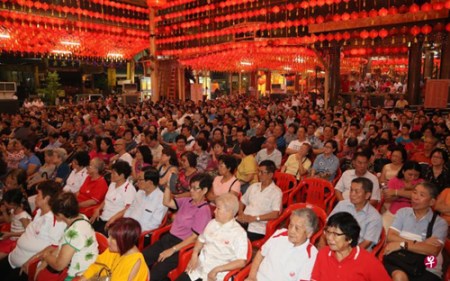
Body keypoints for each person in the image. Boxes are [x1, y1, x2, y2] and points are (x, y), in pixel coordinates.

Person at [142, 173, 213, 281]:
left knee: (156, 273)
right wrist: (167, 187)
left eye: (195, 188)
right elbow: (167, 202)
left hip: (182, 246)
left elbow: (194, 237)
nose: (191, 190)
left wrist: (172, 250)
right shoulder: (187, 201)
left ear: (204, 190)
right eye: (191, 187)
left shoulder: (203, 210)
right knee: (141, 258)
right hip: (168, 238)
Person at [0, 181, 65, 281]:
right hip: (13, 257)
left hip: (24, 267)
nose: (35, 197)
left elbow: (54, 247)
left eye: (38, 194)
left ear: (46, 198)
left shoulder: (57, 221)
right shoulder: (39, 212)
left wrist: (31, 261)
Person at [384, 182, 448, 281]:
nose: (415, 197)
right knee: (399, 276)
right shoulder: (403, 212)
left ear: (431, 202)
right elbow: (391, 237)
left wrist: (401, 244)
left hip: (427, 268)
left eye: (421, 195)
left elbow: (433, 250)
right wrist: (422, 244)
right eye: (414, 192)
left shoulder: (440, 223)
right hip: (399, 260)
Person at [177, 193, 248, 281]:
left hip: (216, 276)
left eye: (218, 209)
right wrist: (194, 255)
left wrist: (217, 269)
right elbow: (200, 239)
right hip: (198, 270)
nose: (214, 211)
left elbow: (241, 261)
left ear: (229, 212)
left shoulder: (239, 233)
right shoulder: (212, 223)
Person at [35, 192, 99, 281]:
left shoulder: (73, 233)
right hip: (88, 265)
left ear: (60, 215)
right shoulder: (82, 217)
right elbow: (63, 247)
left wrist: (45, 256)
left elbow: (59, 265)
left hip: (81, 275)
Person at [311, 212, 391, 281]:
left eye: (336, 234)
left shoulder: (368, 261)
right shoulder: (323, 253)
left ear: (349, 239)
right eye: (328, 232)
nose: (329, 238)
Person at [245, 208, 319, 281]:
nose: (291, 231)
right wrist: (251, 277)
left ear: (309, 233)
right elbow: (260, 254)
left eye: (297, 228)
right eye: (290, 225)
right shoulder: (280, 234)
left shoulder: (311, 255)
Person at [76, 218, 149, 281]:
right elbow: (97, 265)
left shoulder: (134, 263)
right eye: (109, 236)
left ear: (124, 241)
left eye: (113, 238)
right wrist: (84, 278)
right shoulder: (117, 249)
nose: (108, 240)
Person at [327, 177, 382, 250]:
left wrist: (347, 254)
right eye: (351, 190)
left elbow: (366, 243)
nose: (352, 194)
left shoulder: (374, 217)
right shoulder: (342, 205)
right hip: (334, 245)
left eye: (357, 191)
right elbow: (328, 225)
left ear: (367, 195)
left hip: (356, 252)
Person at [237, 160, 282, 241]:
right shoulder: (253, 186)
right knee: (226, 229)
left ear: (270, 175)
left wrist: (255, 218)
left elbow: (275, 214)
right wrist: (241, 213)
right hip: (244, 220)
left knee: (238, 238)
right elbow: (242, 201)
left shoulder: (276, 192)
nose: (259, 174)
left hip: (258, 226)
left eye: (262, 172)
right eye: (258, 171)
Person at [91, 161, 136, 236]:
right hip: (103, 217)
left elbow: (128, 209)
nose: (111, 175)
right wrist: (98, 209)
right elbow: (106, 199)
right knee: (87, 230)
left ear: (121, 175)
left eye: (113, 173)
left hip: (115, 222)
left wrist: (113, 219)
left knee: (98, 237)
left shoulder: (129, 189)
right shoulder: (112, 184)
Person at [381, 161, 423, 231]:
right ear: (403, 171)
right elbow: (388, 197)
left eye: (416, 175)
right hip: (395, 211)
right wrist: (406, 189)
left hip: (414, 213)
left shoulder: (421, 182)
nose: (413, 178)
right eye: (410, 174)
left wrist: (396, 192)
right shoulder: (394, 181)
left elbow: (418, 197)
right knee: (383, 229)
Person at [124, 166, 168, 232]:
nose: (137, 182)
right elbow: (131, 208)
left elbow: (154, 224)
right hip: (129, 228)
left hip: (141, 233)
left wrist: (133, 231)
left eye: (140, 179)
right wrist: (124, 223)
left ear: (150, 182)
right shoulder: (140, 192)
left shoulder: (161, 200)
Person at [0, 189, 32, 259]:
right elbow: (9, 221)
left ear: (12, 204)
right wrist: (4, 212)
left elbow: (28, 232)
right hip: (11, 237)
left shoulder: (23, 216)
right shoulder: (13, 210)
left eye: (5, 203)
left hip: (17, 241)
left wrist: (10, 234)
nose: (3, 204)